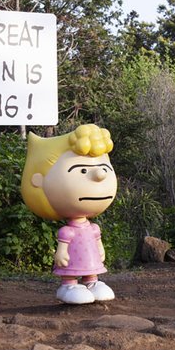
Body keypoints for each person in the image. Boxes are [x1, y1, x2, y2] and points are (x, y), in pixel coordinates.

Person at [21, 124, 118, 305]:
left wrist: (101, 248)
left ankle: (92, 281)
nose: (100, 174)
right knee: (71, 268)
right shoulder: (67, 231)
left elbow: (97, 240)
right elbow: (63, 248)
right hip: (71, 260)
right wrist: (60, 254)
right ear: (39, 181)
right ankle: (68, 285)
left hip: (90, 257)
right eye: (82, 170)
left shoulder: (93, 228)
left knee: (91, 266)